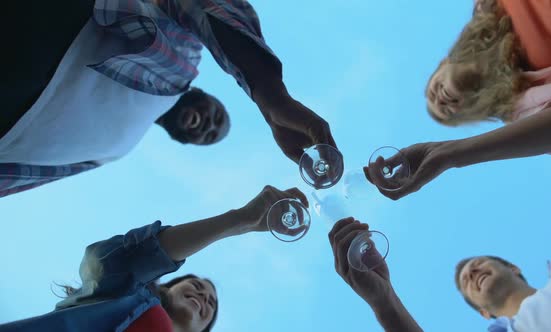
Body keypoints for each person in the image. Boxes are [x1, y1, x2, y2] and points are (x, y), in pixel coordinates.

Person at [0, 0, 336, 198]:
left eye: (206, 137)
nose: (207, 127)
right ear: (200, 93)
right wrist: (270, 96)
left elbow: (29, 174)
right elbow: (198, 6)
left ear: (184, 140)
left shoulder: (118, 152)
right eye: (216, 117)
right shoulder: (185, 58)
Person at [364, 0, 551, 201]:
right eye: (450, 113)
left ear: (444, 64)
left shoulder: (485, 7)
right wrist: (450, 153)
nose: (441, 103)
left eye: (433, 92)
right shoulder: (526, 102)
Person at [0, 185, 308, 331]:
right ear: (165, 287)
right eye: (197, 285)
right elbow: (114, 260)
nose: (205, 297)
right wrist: (239, 220)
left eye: (211, 304)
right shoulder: (124, 297)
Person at [329, 219, 551, 332]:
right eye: (467, 280)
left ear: (514, 268)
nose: (472, 272)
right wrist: (384, 300)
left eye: (478, 264)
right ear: (484, 314)